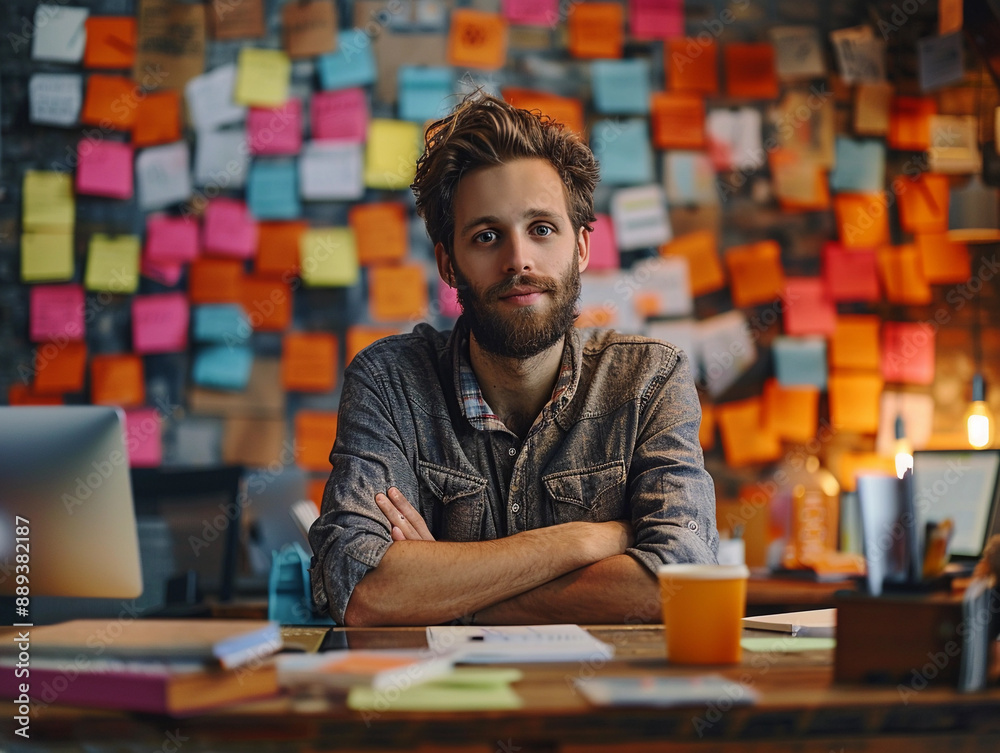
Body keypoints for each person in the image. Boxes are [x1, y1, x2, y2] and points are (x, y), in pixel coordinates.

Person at [308, 93, 718, 627]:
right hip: (437, 706)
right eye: (485, 236)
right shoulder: (389, 383)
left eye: (542, 229)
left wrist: (442, 594)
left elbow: (678, 586)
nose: (517, 259)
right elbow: (362, 591)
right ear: (448, 262)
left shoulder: (648, 380)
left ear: (582, 248)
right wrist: (588, 540)